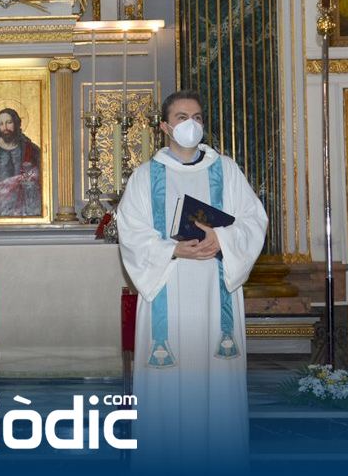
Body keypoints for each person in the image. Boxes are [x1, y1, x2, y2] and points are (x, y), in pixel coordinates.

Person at [117, 90, 268, 470]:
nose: (191, 124)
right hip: (168, 286)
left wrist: (223, 239)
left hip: (216, 295)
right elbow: (131, 232)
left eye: (197, 117)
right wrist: (172, 249)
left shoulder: (226, 170)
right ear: (165, 126)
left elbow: (254, 220)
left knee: (217, 391)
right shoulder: (145, 176)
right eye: (182, 117)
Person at [0, 107, 43, 217]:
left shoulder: (31, 150)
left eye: (9, 122)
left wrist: (32, 176)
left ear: (16, 123)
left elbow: (45, 176)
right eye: (1, 124)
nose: (5, 128)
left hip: (26, 211)